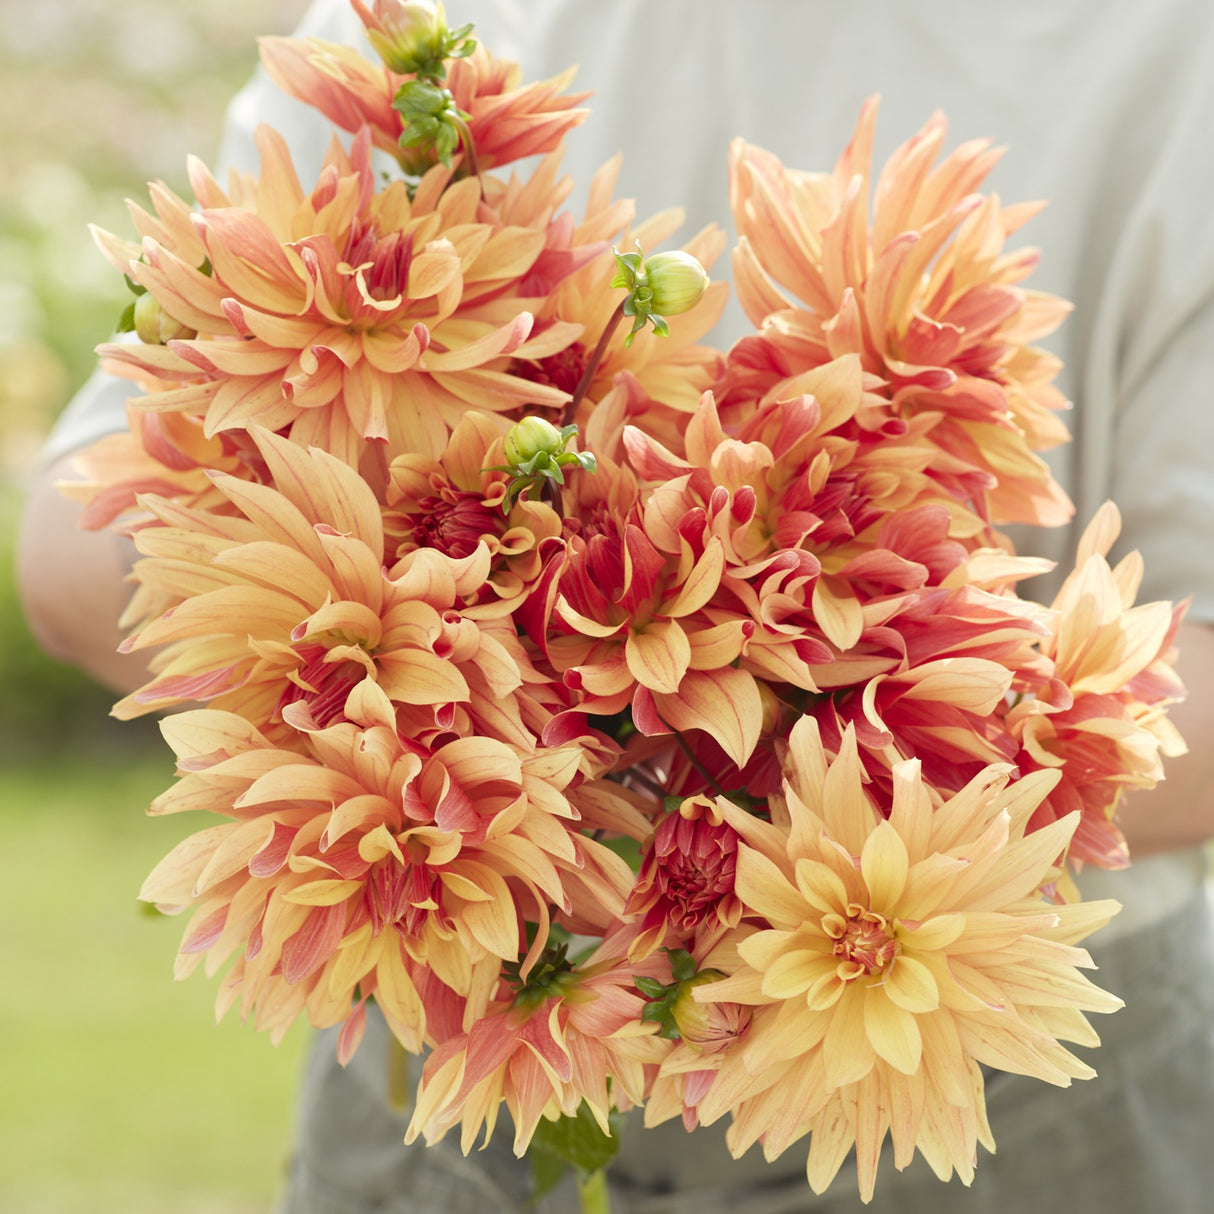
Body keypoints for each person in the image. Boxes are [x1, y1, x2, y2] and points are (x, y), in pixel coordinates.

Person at [18, 0, 1214, 1210]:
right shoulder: (422, 40)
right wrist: (479, 673)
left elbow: (83, 567)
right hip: (498, 1044)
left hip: (948, 1048)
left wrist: (528, 744)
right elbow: (79, 547)